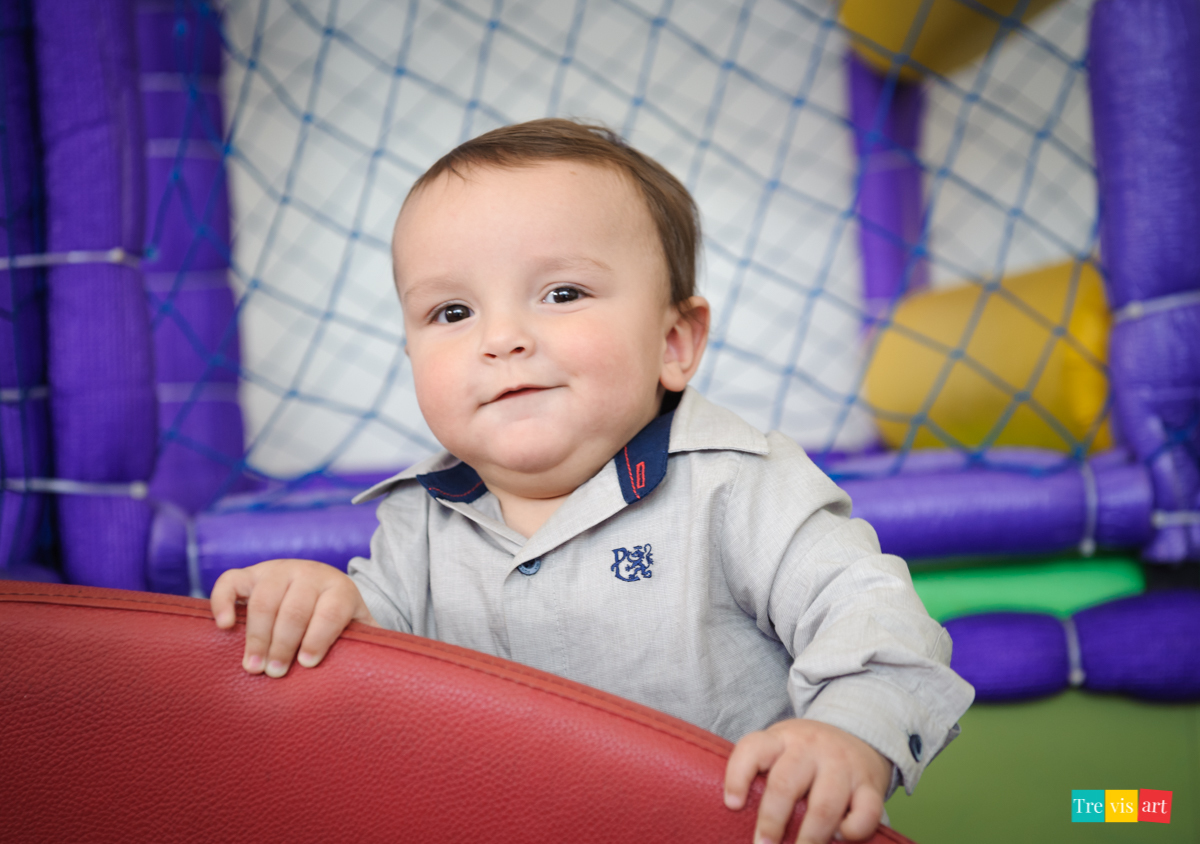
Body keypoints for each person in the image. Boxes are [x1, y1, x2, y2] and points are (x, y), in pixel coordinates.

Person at [210, 118, 973, 844]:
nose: (502, 338)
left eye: (562, 294)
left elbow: (875, 618)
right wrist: (327, 605)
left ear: (674, 342)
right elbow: (378, 677)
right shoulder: (418, 525)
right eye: (451, 311)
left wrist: (847, 732)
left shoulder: (739, 489)